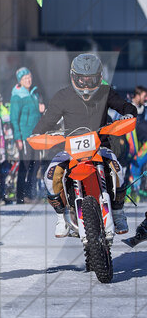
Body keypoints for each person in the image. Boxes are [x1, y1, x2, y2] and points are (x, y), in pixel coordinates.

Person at [32, 53, 136, 237]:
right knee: (51, 177)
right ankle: (61, 218)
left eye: (91, 79)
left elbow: (126, 106)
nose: (86, 85)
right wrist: (37, 133)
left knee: (118, 170)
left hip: (100, 147)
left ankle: (118, 212)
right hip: (70, 150)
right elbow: (47, 121)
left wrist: (129, 114)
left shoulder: (105, 92)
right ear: (73, 77)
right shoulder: (62, 96)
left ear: (100, 77)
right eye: (82, 79)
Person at [10, 67, 43, 204]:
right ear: (20, 81)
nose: (28, 80)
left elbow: (37, 115)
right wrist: (18, 138)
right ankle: (21, 195)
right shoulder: (18, 95)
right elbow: (14, 118)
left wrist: (41, 109)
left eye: (29, 77)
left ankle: (31, 193)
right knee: (25, 165)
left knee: (35, 166)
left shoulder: (34, 93)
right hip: (25, 136)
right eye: (25, 79)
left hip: (36, 136)